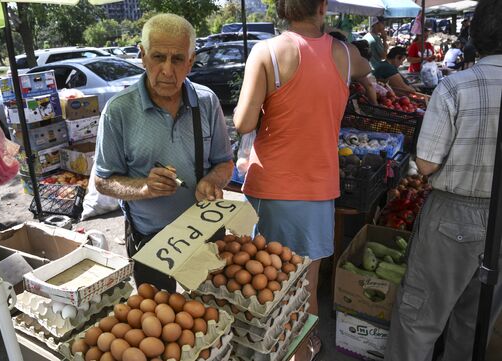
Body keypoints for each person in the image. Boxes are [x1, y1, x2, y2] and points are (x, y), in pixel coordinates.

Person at [233, 0, 372, 358]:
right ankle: (304, 348)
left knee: (267, 278)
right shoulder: (345, 54)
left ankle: (268, 347)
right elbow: (367, 66)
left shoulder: (267, 52)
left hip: (272, 187)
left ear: (280, 7)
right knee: (306, 282)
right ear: (323, 6)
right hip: (319, 188)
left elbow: (244, 123)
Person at [385, 1, 502, 360]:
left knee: (420, 317)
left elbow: (426, 164)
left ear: (474, 34)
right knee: (474, 320)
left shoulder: (456, 87)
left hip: (453, 215)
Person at [94, 13, 234, 293]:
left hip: (204, 230)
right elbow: (103, 181)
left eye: (178, 59)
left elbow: (225, 163)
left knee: (211, 308)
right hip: (151, 240)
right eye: (158, 57)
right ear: (142, 56)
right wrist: (144, 187)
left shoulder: (206, 102)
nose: (168, 70)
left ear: (191, 61)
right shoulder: (119, 111)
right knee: (160, 322)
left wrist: (212, 181)